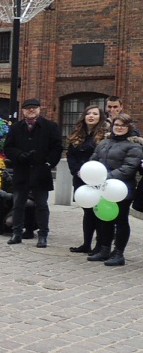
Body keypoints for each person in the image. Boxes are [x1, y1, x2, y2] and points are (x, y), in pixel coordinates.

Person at [4, 98, 63, 248]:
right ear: (23, 111)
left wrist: (48, 163)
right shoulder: (16, 128)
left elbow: (57, 148)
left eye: (34, 108)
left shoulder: (50, 127)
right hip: (22, 171)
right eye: (28, 108)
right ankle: (17, 232)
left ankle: (43, 234)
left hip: (41, 171)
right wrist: (18, 155)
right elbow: (8, 147)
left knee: (42, 204)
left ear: (39, 109)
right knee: (18, 204)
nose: (31, 110)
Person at [86, 113, 143, 266]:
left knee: (121, 220)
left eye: (123, 125)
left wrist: (107, 177)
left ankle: (119, 253)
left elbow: (129, 168)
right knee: (104, 218)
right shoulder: (104, 142)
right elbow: (94, 159)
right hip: (103, 187)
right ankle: (104, 249)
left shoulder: (134, 146)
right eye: (117, 124)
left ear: (129, 127)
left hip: (122, 188)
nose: (119, 128)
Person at [65, 105, 108, 254]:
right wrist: (77, 171)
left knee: (98, 212)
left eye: (95, 114)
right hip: (80, 178)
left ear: (100, 117)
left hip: (97, 179)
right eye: (88, 113)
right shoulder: (77, 134)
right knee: (87, 212)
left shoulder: (104, 136)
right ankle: (86, 243)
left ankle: (100, 245)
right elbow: (71, 155)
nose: (91, 116)